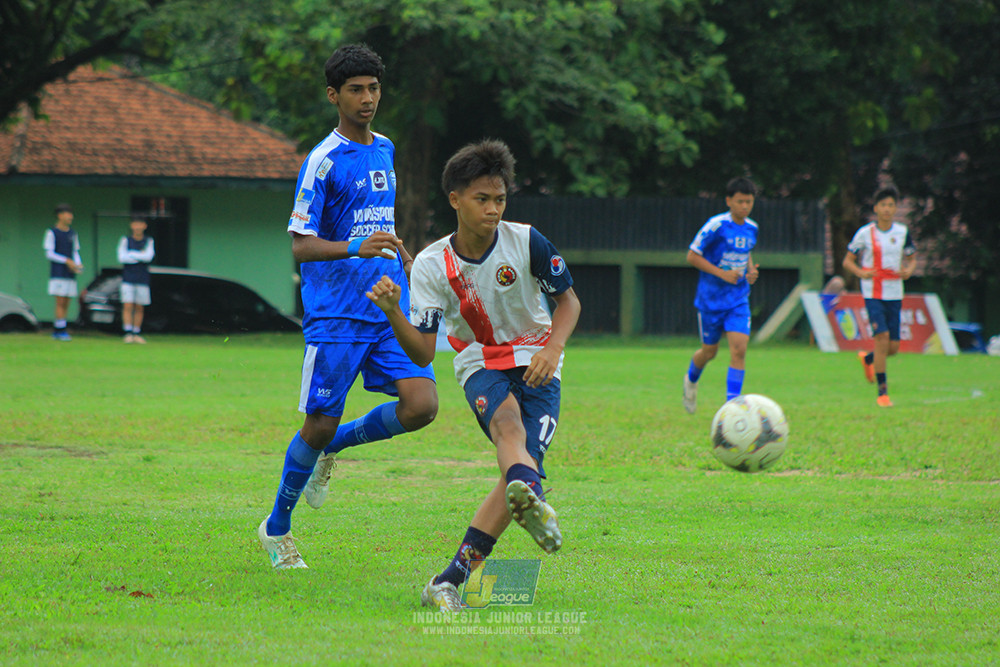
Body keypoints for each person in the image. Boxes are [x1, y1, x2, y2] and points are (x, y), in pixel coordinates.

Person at [366, 139, 581, 612]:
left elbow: (568, 302)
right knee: (509, 430)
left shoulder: (526, 241)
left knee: (518, 472)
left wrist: (553, 348)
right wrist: (393, 311)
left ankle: (448, 580)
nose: (493, 209)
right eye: (482, 199)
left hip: (538, 358)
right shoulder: (430, 265)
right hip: (480, 361)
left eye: (499, 199)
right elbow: (423, 351)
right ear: (455, 199)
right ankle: (532, 493)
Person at [257, 44, 438, 570]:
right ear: (333, 95)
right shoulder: (322, 160)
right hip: (336, 312)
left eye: (373, 88)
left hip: (386, 302)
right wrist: (357, 247)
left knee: (421, 405)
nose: (367, 98)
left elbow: (375, 221)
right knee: (316, 424)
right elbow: (300, 245)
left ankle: (334, 446)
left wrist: (399, 253)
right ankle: (276, 528)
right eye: (355, 90)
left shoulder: (386, 148)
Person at [682, 177, 760, 414]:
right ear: (729, 201)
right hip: (711, 300)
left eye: (749, 202)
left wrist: (750, 270)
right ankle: (691, 380)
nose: (745, 206)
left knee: (739, 350)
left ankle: (731, 408)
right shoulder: (716, 225)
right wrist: (722, 273)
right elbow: (692, 255)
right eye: (740, 201)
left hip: (738, 299)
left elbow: (745, 252)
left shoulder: (752, 228)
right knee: (709, 352)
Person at [842, 185, 916, 407]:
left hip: (895, 293)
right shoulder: (865, 233)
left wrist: (909, 270)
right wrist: (861, 273)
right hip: (873, 292)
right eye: (883, 205)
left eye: (891, 205)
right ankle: (882, 393)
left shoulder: (902, 232)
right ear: (875, 208)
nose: (887, 209)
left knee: (892, 348)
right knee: (881, 338)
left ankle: (868, 359)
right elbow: (847, 261)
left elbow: (912, 258)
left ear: (895, 208)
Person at [43, 203, 83, 341]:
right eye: (67, 214)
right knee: (60, 301)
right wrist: (66, 261)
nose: (70, 217)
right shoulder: (51, 232)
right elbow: (49, 253)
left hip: (70, 273)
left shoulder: (73, 233)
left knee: (66, 301)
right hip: (58, 272)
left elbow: (75, 251)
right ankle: (60, 330)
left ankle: (60, 328)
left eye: (71, 214)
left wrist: (77, 264)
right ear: (60, 215)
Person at [116, 218, 155, 344]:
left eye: (140, 224)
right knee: (128, 305)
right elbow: (122, 258)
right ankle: (128, 332)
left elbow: (148, 257)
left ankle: (136, 332)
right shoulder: (125, 240)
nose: (137, 227)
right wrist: (139, 255)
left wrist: (131, 254)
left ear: (144, 226)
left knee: (139, 306)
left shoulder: (149, 240)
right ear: (131, 225)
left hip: (142, 279)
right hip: (128, 278)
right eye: (135, 224)